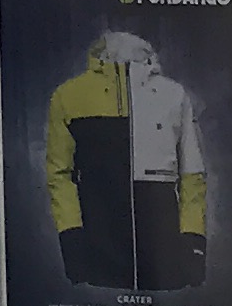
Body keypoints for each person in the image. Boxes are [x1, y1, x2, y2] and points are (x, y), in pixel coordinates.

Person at [45, 24, 208, 291]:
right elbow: (59, 176)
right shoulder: (69, 96)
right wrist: (72, 240)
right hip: (98, 263)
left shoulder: (173, 96)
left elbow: (193, 175)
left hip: (164, 263)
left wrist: (193, 244)